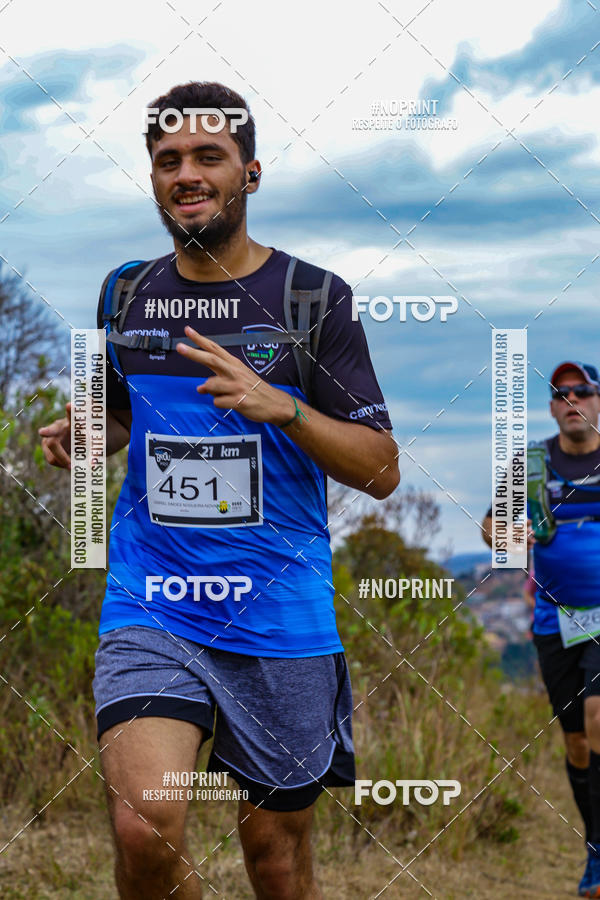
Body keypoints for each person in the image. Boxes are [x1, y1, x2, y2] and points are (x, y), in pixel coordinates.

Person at [38, 81, 399, 900]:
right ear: (155, 178)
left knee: (275, 862)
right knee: (144, 826)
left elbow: (382, 469)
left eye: (209, 156)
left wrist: (287, 409)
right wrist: (89, 434)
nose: (186, 173)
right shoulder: (123, 292)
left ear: (252, 174)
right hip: (153, 601)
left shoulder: (313, 299)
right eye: (168, 160)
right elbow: (126, 415)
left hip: (279, 615)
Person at [481, 361, 600, 898]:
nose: (573, 399)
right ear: (552, 406)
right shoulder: (529, 466)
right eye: (562, 393)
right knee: (576, 742)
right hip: (555, 620)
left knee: (598, 721)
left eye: (584, 391)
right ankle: (595, 846)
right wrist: (507, 530)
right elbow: (489, 528)